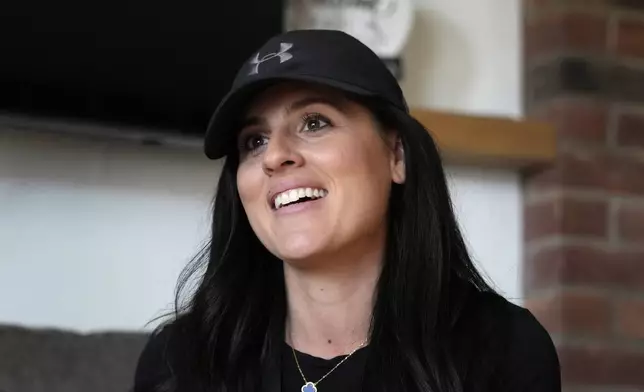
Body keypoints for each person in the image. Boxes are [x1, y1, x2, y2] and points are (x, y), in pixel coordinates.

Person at [133, 29, 561, 392]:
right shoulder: (178, 362)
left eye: (314, 122)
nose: (274, 156)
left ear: (397, 156)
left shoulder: (503, 351)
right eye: (254, 141)